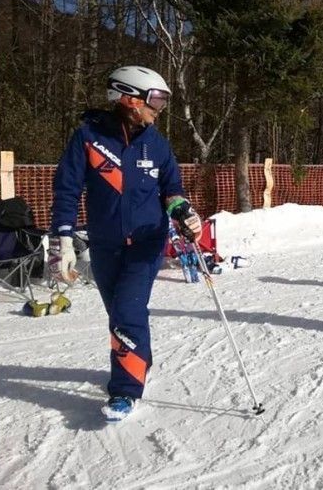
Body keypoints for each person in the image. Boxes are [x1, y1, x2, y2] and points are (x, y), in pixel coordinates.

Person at [49, 66, 202, 422]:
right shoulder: (88, 138)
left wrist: (184, 212)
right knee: (118, 312)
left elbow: (172, 190)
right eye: (156, 100)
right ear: (129, 98)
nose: (160, 108)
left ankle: (125, 390)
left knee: (127, 311)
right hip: (105, 244)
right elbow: (67, 190)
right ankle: (139, 362)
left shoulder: (156, 143)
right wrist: (64, 239)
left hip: (146, 243)